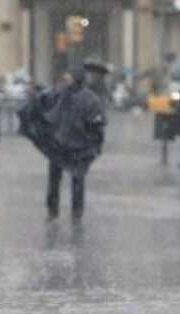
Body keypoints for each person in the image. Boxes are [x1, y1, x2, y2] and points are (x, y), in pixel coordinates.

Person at [42, 66, 107, 222]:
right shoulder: (58, 94)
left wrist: (92, 143)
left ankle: (76, 214)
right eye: (65, 76)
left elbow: (98, 123)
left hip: (78, 147)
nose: (66, 79)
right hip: (58, 144)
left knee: (78, 181)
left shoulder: (89, 99)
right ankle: (52, 211)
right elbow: (45, 109)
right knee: (54, 180)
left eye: (69, 76)